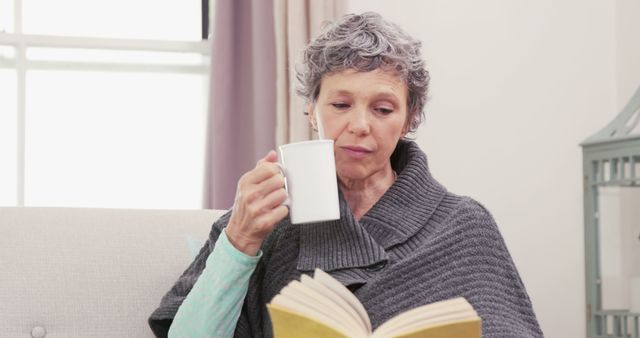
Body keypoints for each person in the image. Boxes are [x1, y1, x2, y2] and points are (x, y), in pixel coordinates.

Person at [149, 12, 544, 338]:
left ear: (410, 119)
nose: (359, 125)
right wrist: (240, 240)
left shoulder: (463, 224)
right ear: (312, 111)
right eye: (340, 103)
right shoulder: (262, 223)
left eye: (383, 109)